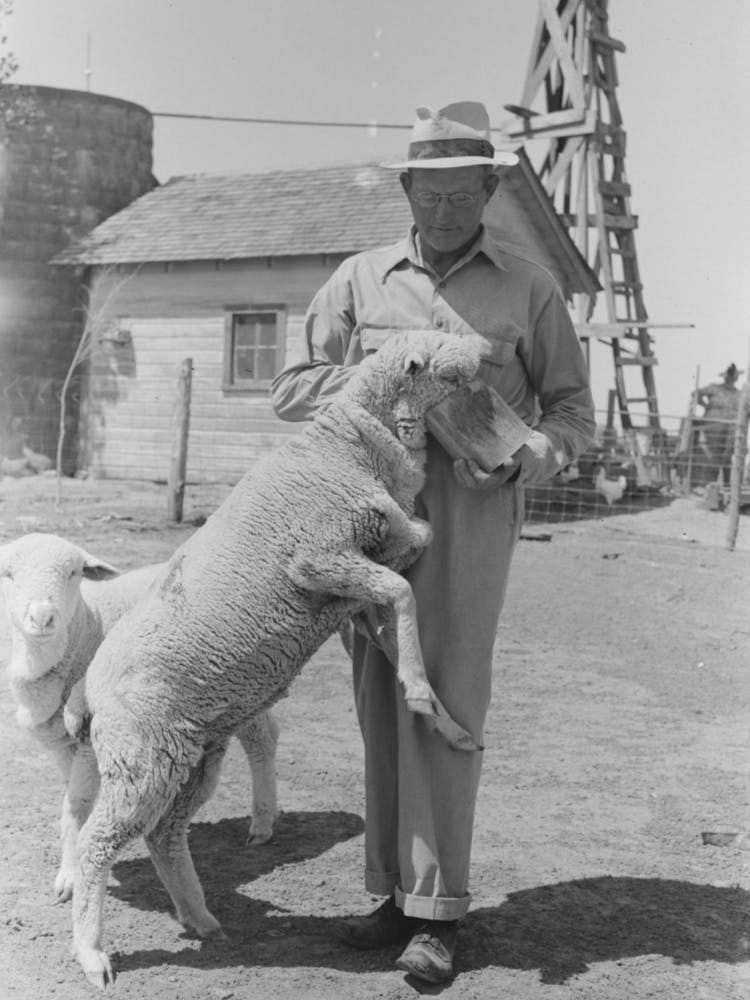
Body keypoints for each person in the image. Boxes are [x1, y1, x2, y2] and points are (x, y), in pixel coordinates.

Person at [270, 100, 595, 984]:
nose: (445, 211)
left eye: (463, 194)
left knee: (445, 702)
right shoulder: (358, 280)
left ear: (490, 187)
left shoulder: (529, 288)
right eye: (430, 193)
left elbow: (574, 413)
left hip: (469, 521)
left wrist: (536, 450)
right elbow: (293, 390)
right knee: (380, 700)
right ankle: (391, 893)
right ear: (406, 187)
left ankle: (440, 913)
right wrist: (388, 375)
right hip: (370, 514)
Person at [696, 363, 742, 485]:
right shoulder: (714, 388)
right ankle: (711, 487)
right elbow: (696, 394)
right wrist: (705, 406)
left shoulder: (740, 394)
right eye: (729, 375)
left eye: (733, 375)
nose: (731, 378)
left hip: (731, 428)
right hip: (713, 426)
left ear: (736, 378)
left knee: (727, 456)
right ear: (725, 377)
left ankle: (727, 487)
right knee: (714, 455)